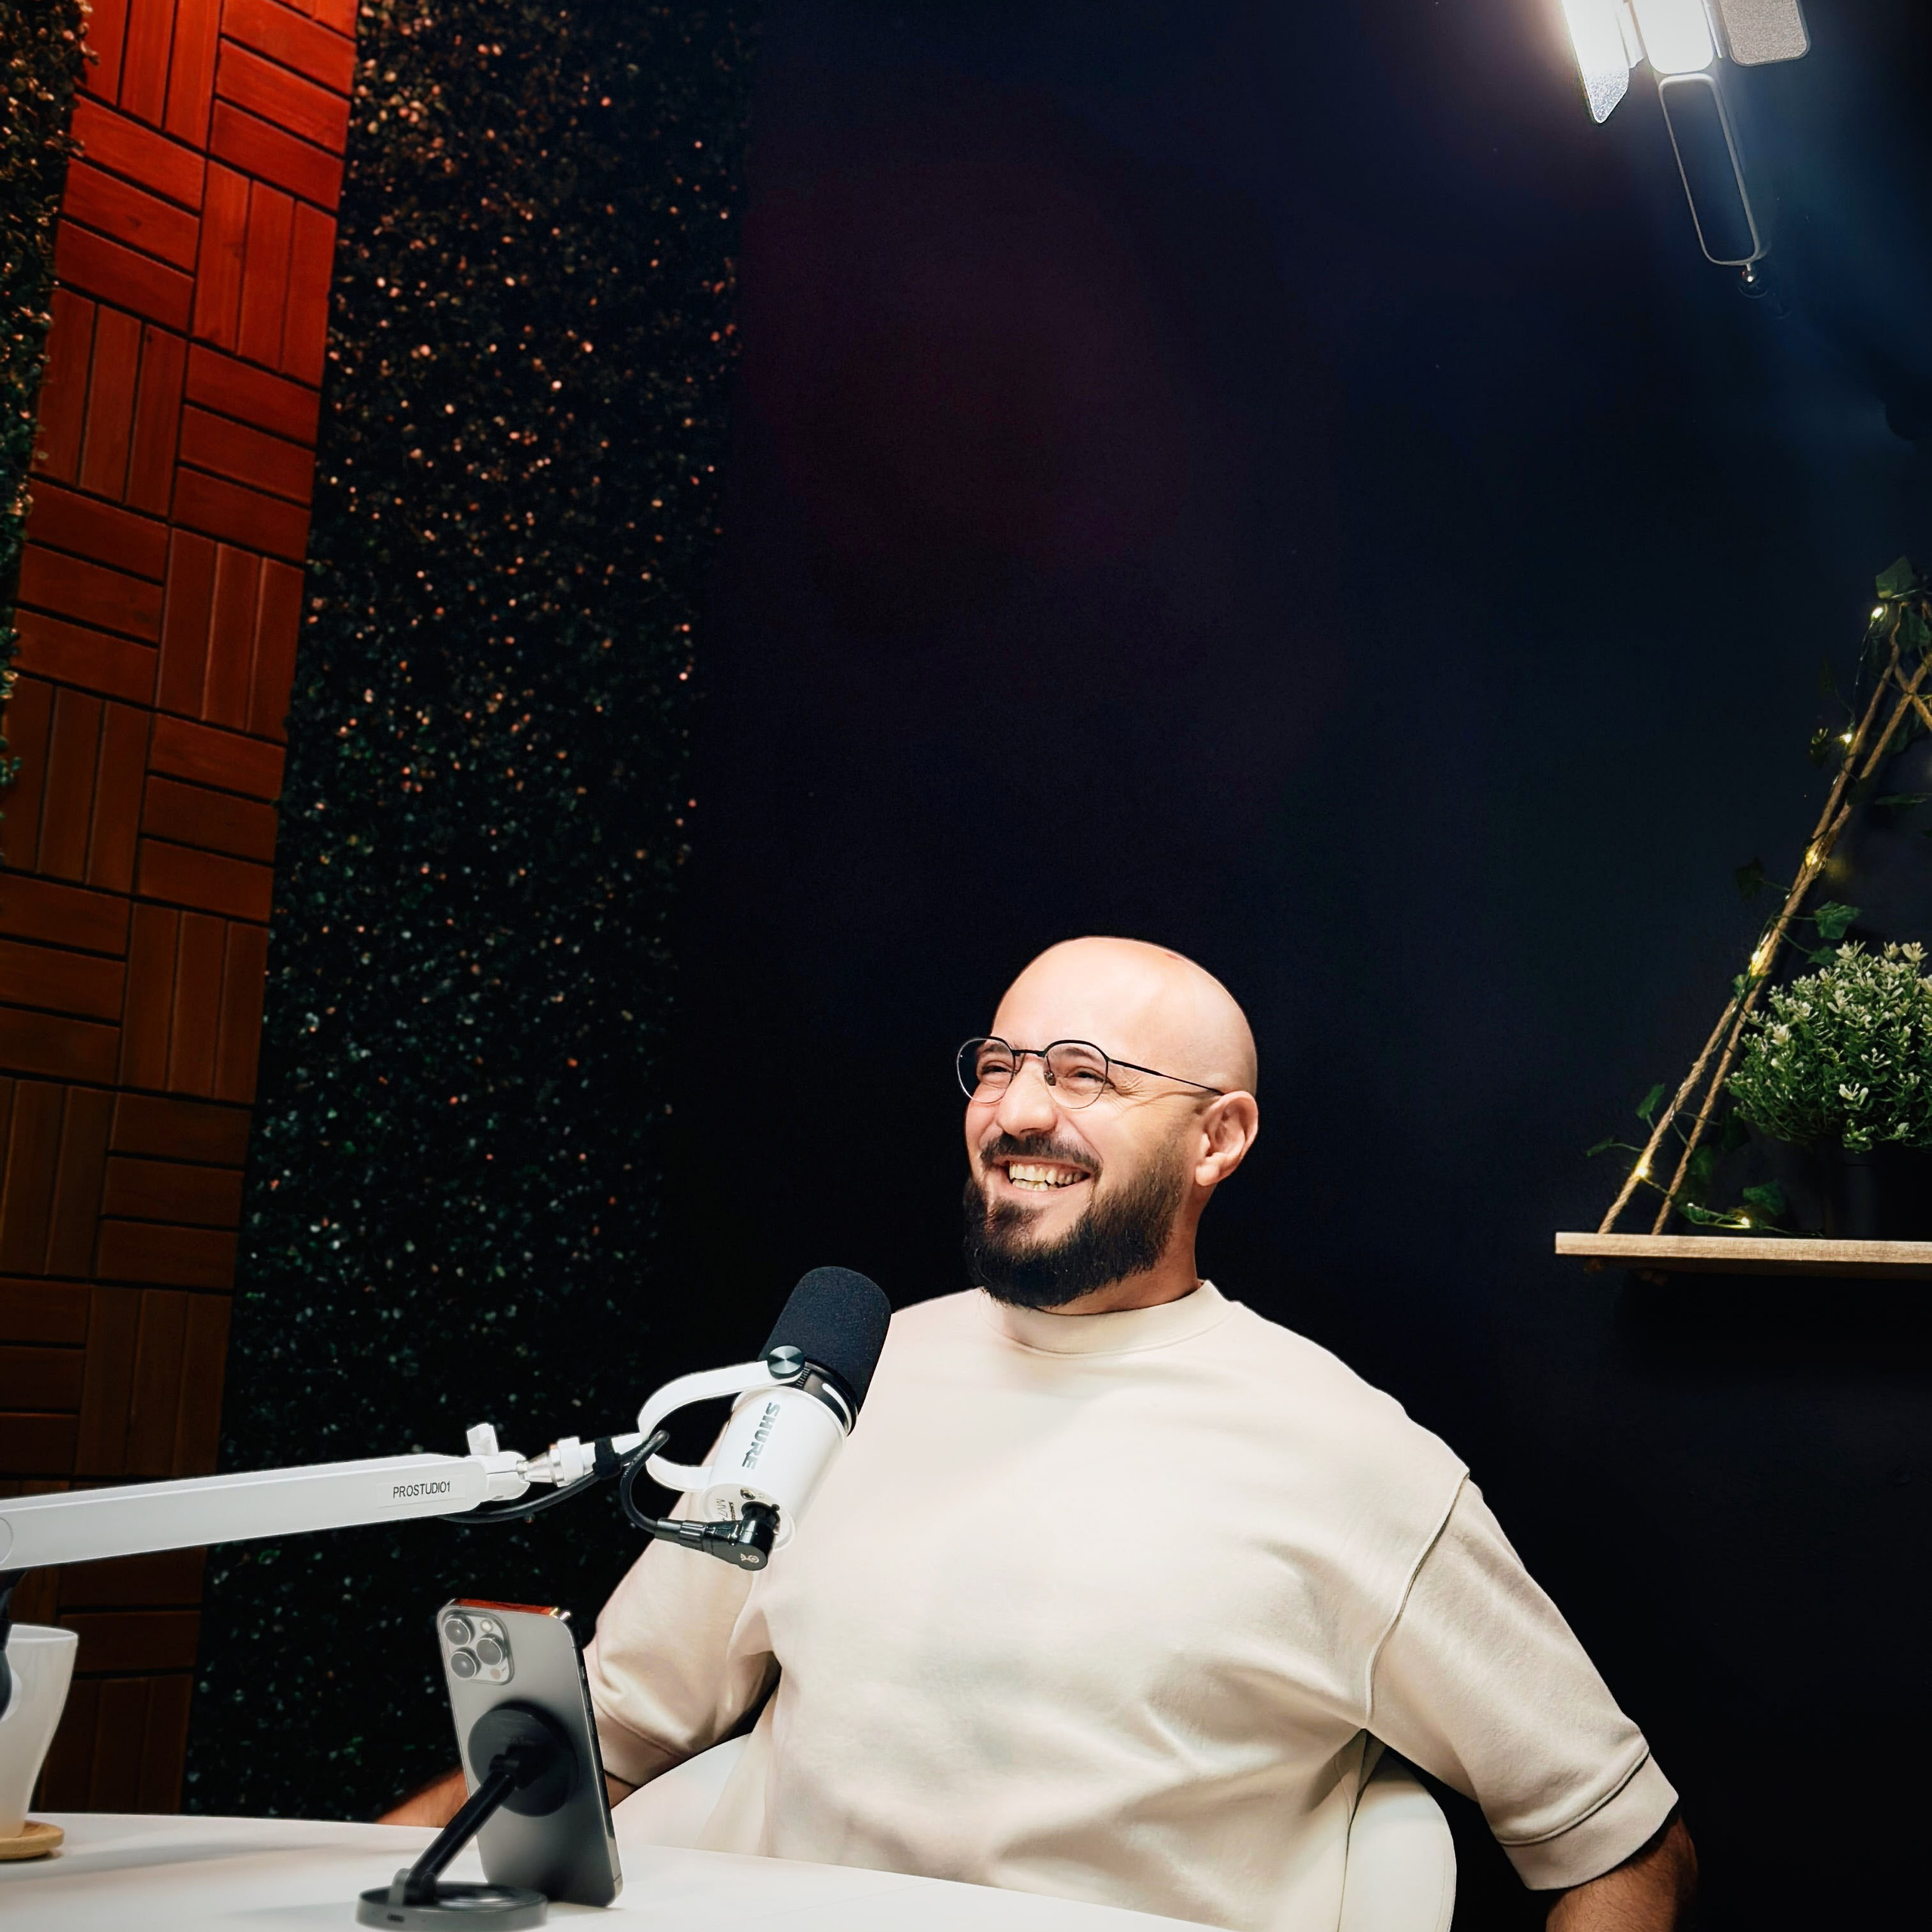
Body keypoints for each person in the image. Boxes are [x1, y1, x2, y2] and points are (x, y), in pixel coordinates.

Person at [386, 936, 1697, 1931]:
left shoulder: (1349, 1458)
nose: (1018, 1113)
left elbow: (1620, 1848)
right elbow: (593, 1746)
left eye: (1085, 1077)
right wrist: (310, 1887)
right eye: (1001, 1067)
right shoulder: (846, 1379)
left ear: (1217, 1139)